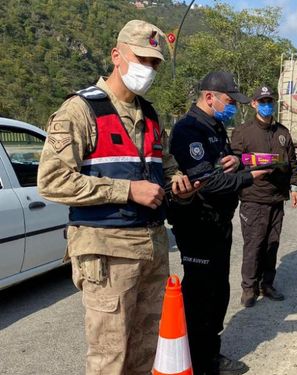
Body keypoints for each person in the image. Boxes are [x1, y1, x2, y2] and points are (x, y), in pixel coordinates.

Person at [37, 20, 199, 374]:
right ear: (117, 56)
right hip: (107, 253)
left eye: (155, 63)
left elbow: (165, 167)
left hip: (153, 247)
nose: (149, 69)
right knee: (110, 357)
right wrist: (127, 190)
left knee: (148, 350)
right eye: (142, 58)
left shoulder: (151, 115)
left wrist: (179, 184)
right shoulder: (80, 111)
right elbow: (52, 181)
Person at [167, 71, 269, 375]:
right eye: (229, 101)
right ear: (209, 97)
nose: (233, 108)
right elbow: (207, 183)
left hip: (218, 222)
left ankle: (209, 351)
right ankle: (197, 360)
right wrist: (250, 176)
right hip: (197, 222)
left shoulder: (215, 126)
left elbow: (222, 163)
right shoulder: (189, 129)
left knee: (218, 291)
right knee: (201, 293)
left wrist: (236, 162)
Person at [230, 85, 297, 307]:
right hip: (253, 198)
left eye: (270, 101)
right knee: (254, 244)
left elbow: (293, 163)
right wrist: (252, 164)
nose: (267, 105)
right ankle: (248, 288)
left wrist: (294, 187)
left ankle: (267, 284)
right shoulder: (243, 132)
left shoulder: (282, 132)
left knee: (272, 243)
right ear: (254, 103)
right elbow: (234, 162)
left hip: (276, 198)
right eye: (262, 101)